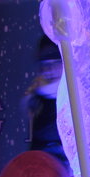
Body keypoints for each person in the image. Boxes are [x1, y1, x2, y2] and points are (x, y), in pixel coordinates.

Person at [24, 36, 68, 170]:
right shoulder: (36, 97)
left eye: (54, 63)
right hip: (42, 161)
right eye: (44, 65)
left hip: (67, 162)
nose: (49, 70)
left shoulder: (72, 96)